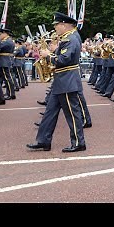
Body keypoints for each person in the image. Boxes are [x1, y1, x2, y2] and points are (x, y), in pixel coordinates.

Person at [27, 12, 87, 152]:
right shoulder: (69, 37)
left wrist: (49, 55)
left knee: (72, 114)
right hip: (62, 80)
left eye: (56, 25)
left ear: (64, 25)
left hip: (67, 80)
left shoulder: (70, 38)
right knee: (50, 112)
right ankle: (43, 140)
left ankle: (79, 142)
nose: (55, 28)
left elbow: (63, 60)